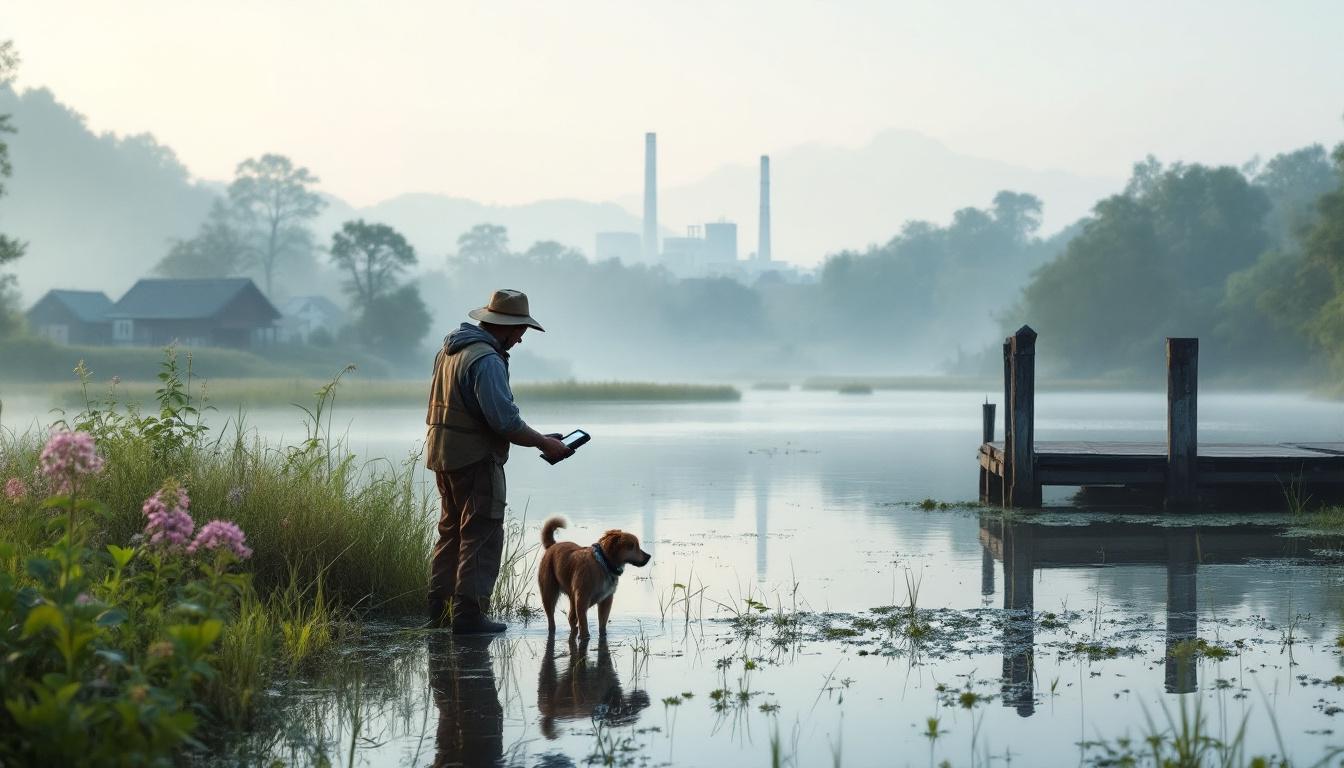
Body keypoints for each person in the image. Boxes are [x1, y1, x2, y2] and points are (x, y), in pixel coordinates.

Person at [426, 288, 572, 633]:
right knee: (482, 536)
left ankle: (439, 612)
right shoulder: (487, 360)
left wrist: (540, 438)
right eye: (521, 330)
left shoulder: (450, 351)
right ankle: (469, 617)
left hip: (443, 456)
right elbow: (504, 421)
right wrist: (545, 444)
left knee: (450, 535)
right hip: (476, 460)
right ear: (505, 326)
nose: (521, 339)